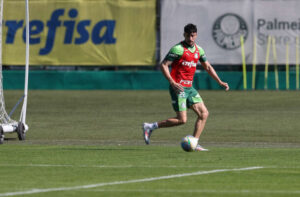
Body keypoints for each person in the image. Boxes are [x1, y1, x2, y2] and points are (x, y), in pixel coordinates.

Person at [143, 23, 229, 151]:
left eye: (193, 36)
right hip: (179, 88)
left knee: (204, 114)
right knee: (182, 120)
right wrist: (172, 82)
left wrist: (220, 82)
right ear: (184, 35)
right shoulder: (178, 49)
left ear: (196, 35)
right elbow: (164, 65)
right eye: (188, 36)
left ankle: (194, 143)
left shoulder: (199, 50)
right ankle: (150, 127)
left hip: (190, 88)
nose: (190, 38)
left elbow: (208, 67)